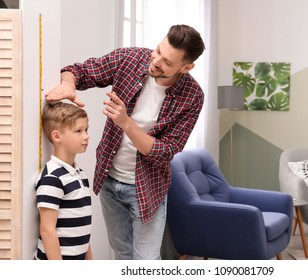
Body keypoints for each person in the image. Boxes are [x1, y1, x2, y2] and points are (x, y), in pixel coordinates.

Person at [45, 24, 205, 260]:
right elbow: (77, 71)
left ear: (186, 67)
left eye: (168, 62)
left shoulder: (193, 96)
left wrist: (125, 122)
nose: (157, 61)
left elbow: (165, 151)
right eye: (158, 50)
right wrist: (69, 85)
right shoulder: (130, 59)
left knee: (146, 261)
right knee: (122, 256)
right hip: (110, 182)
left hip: (148, 187)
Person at [35, 102, 92, 260]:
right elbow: (47, 230)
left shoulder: (80, 174)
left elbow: (82, 229)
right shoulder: (52, 178)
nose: (86, 136)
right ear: (57, 136)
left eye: (86, 129)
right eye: (78, 131)